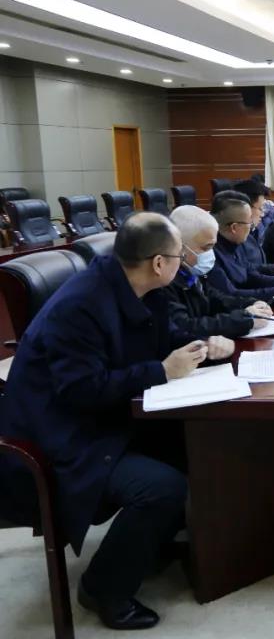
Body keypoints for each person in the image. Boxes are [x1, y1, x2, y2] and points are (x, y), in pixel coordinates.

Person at [0, 212, 228, 629]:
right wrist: (161, 371)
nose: (184, 263)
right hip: (60, 437)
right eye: (179, 256)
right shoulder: (80, 306)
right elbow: (82, 391)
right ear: (158, 263)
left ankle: (151, 544)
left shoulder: (140, 287)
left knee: (198, 442)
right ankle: (103, 589)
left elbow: (161, 340)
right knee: (162, 487)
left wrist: (202, 346)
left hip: (104, 415)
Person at [165, 205, 273, 339]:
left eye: (213, 247)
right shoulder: (166, 282)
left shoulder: (193, 272)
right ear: (180, 247)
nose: (211, 254)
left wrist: (250, 304)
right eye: (206, 248)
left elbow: (216, 299)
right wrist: (242, 320)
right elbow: (186, 327)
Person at [208, 191, 274, 307]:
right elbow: (231, 295)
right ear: (234, 228)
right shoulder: (212, 254)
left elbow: (252, 277)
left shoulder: (234, 245)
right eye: (249, 222)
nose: (252, 225)